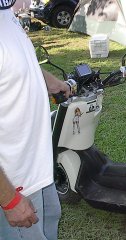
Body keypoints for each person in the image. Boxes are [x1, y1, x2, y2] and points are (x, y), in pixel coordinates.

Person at [0, 1, 71, 239]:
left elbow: (12, 59)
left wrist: (46, 80)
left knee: (49, 223)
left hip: (34, 170)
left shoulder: (4, 12)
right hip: (11, 184)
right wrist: (8, 199)